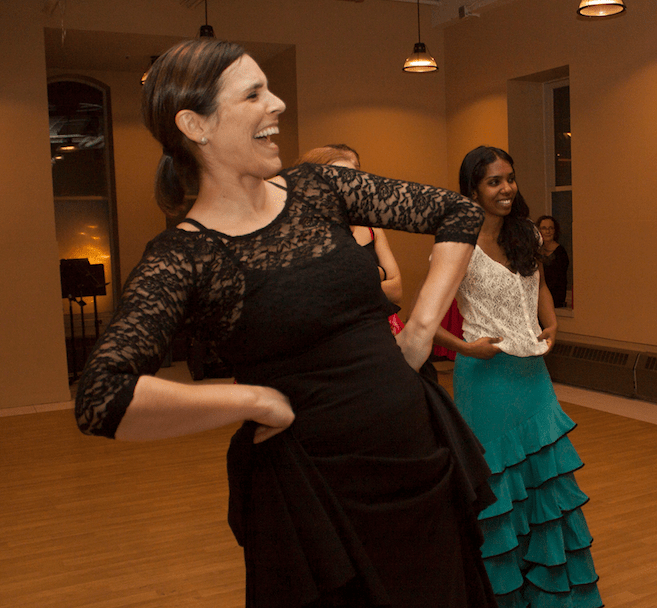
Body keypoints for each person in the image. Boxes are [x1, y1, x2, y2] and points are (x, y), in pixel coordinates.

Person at [74, 39, 498, 608]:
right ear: (195, 125)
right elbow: (103, 396)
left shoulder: (321, 189)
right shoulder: (182, 256)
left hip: (419, 460)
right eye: (254, 94)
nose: (276, 105)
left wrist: (420, 330)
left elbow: (458, 211)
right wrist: (251, 401)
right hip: (319, 498)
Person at [432, 146, 602, 608]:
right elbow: (423, 322)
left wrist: (553, 323)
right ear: (472, 189)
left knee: (546, 483)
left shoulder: (526, 232)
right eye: (493, 181)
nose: (506, 188)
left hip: (533, 377)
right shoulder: (456, 243)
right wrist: (466, 347)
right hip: (484, 378)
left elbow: (540, 286)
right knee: (497, 488)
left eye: (510, 178)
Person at [295, 144, 404, 333]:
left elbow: (396, 291)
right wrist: (378, 273)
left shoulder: (371, 226)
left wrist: (352, 284)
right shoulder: (302, 234)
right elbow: (321, 298)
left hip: (383, 330)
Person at [536, 215, 570, 308]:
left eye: (551, 228)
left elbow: (556, 280)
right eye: (544, 228)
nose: (548, 231)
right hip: (537, 301)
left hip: (555, 302)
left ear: (555, 231)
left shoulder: (560, 253)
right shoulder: (535, 251)